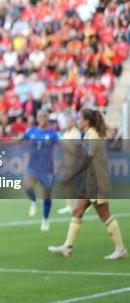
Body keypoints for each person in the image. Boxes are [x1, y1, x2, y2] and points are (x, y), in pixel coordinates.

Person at [48, 108, 127, 259]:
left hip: (97, 181)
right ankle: (67, 246)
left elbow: (87, 160)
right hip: (90, 181)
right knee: (77, 211)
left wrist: (70, 175)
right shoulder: (89, 134)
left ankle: (120, 249)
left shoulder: (93, 135)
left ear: (86, 120)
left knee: (105, 215)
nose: (78, 120)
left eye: (79, 118)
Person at [23, 110, 59, 231]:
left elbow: (60, 147)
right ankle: (34, 200)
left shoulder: (53, 133)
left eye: (45, 115)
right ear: (37, 118)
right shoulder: (31, 131)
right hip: (33, 166)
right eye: (40, 115)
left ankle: (45, 219)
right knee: (27, 186)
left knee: (47, 195)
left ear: (48, 118)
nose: (42, 117)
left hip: (47, 168)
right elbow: (20, 140)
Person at [57, 112, 82, 215]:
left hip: (74, 161)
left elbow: (77, 149)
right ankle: (71, 205)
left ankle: (75, 205)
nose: (67, 123)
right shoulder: (65, 134)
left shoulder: (76, 133)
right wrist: (61, 162)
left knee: (70, 183)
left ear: (73, 122)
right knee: (68, 183)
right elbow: (63, 150)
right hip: (67, 161)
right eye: (66, 121)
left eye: (70, 121)